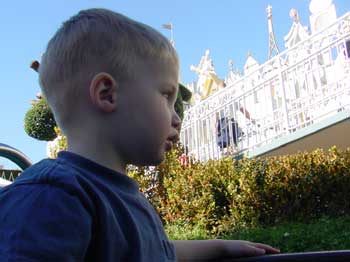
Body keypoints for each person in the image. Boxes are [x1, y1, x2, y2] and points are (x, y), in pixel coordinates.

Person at [0, 8, 280, 261]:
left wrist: (220, 247)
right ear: (107, 94)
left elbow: (158, 252)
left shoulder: (117, 196)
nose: (177, 118)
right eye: (166, 95)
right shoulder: (54, 195)